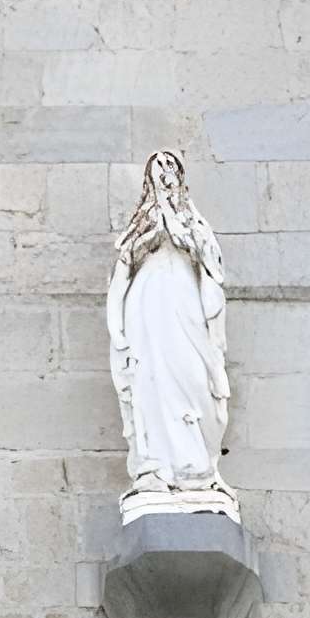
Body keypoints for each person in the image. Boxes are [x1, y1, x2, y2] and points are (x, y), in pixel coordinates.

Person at [106, 150, 237, 518]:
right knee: (152, 380)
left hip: (186, 310)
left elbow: (212, 268)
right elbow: (121, 278)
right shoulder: (138, 231)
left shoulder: (195, 225)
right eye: (158, 168)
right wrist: (117, 329)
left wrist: (187, 236)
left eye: (171, 168)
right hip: (148, 313)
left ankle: (198, 469)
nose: (165, 175)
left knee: (194, 380)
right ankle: (156, 467)